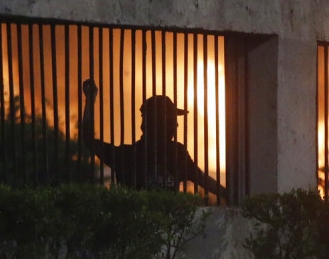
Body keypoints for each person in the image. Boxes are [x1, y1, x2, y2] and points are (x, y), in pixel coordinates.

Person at [81, 78, 225, 199]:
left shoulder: (176, 153)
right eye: (171, 120)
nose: (176, 124)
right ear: (159, 123)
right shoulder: (131, 155)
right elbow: (206, 181)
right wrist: (90, 100)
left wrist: (90, 100)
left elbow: (204, 180)